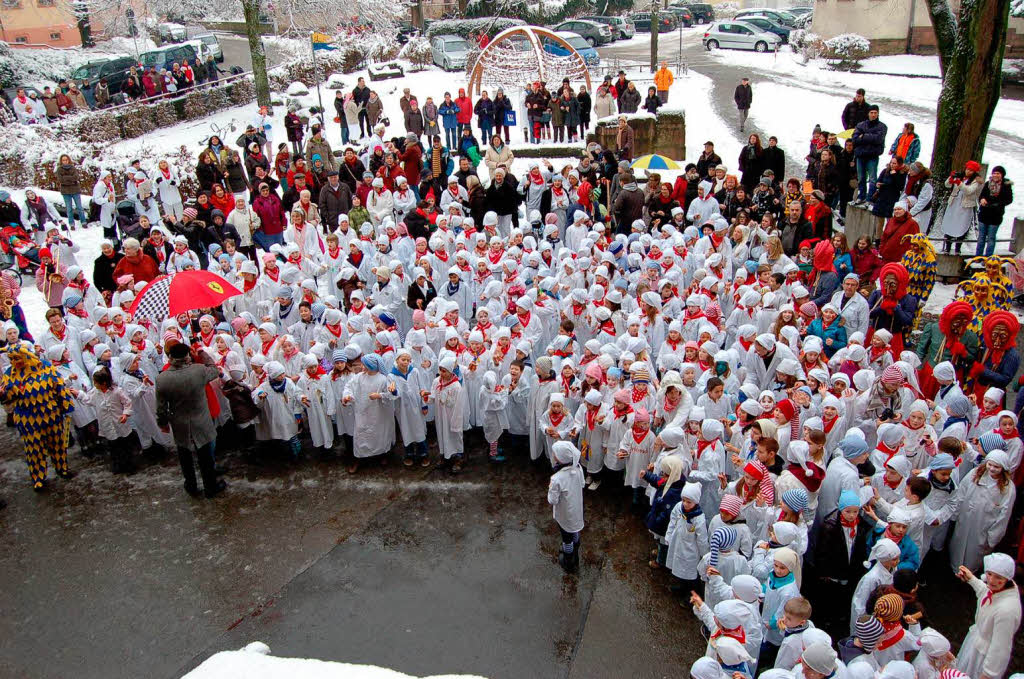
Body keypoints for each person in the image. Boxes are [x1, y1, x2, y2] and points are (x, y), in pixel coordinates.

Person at [156, 341, 226, 498]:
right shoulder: (199, 371)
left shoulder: (162, 378)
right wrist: (201, 352)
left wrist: (163, 423)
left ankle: (191, 485)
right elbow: (214, 370)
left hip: (179, 422)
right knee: (205, 456)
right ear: (187, 356)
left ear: (170, 358)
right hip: (201, 419)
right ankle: (210, 486)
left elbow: (161, 407)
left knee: (184, 455)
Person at [955, 553, 1021, 679]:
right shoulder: (1002, 587)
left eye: (998, 577)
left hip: (983, 656)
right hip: (975, 644)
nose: (991, 580)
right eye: (989, 574)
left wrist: (988, 675)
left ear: (1007, 578)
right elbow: (985, 591)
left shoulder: (1007, 611)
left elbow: (1000, 649)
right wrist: (972, 580)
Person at [549, 440, 585, 572]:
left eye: (555, 454)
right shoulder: (578, 468)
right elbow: (582, 484)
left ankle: (568, 559)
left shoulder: (557, 478)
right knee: (575, 530)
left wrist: (550, 489)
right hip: (576, 508)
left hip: (564, 514)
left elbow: (552, 500)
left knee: (566, 536)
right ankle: (576, 547)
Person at [851, 105, 888, 205]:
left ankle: (870, 198)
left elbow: (879, 139)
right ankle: (861, 196)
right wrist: (870, 138)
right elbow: (854, 139)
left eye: (875, 113)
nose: (873, 115)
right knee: (861, 178)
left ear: (878, 113)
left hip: (872, 155)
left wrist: (864, 136)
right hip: (861, 155)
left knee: (872, 178)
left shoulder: (882, 126)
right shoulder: (861, 125)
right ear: (868, 113)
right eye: (871, 113)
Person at [975, 166, 1013, 257]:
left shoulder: (1006, 186)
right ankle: (978, 257)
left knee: (991, 238)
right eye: (994, 173)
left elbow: (1009, 200)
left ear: (1002, 175)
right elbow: (981, 196)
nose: (995, 175)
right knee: (981, 237)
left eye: (998, 173)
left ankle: (988, 257)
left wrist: (998, 204)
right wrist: (982, 199)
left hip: (996, 215)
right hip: (984, 214)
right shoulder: (988, 183)